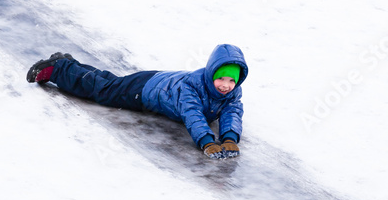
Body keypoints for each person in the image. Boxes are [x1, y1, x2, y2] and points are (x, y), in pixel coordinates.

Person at [26, 44, 248, 159]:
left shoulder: (232, 93)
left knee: (111, 83)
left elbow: (232, 113)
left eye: (231, 80)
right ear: (210, 74)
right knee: (105, 91)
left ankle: (68, 64)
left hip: (159, 81)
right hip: (148, 89)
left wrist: (229, 139)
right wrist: (208, 142)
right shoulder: (191, 87)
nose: (225, 85)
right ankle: (57, 69)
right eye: (220, 78)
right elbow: (193, 114)